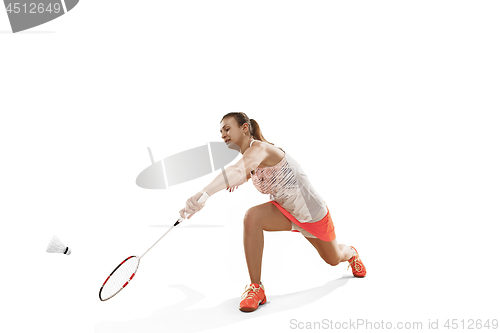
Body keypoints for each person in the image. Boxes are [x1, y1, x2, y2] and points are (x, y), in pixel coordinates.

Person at [180, 112, 367, 312]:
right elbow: (243, 172)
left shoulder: (260, 149)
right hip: (285, 210)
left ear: (244, 128)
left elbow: (236, 170)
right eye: (221, 131)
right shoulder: (249, 157)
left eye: (227, 129)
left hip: (312, 213)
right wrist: (238, 180)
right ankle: (256, 287)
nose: (223, 134)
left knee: (333, 258)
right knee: (252, 217)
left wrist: (204, 194)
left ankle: (352, 253)